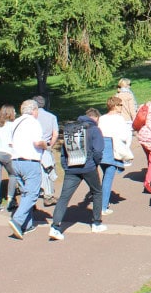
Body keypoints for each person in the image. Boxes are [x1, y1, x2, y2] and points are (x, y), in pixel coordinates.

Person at [48, 109, 107, 239]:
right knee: (97, 192)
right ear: (96, 118)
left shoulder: (71, 128)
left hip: (71, 167)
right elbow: (98, 151)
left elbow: (63, 151)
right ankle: (96, 223)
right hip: (88, 167)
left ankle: (55, 226)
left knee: (64, 197)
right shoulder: (94, 130)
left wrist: (65, 165)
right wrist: (94, 163)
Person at [8, 99, 49, 239]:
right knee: (32, 193)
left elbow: (10, 142)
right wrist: (46, 145)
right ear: (33, 110)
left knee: (25, 193)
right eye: (37, 110)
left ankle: (28, 223)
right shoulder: (33, 123)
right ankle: (18, 220)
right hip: (29, 161)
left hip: (15, 160)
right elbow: (37, 142)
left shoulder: (15, 123)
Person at [97, 95, 133, 216]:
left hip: (102, 147)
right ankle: (102, 206)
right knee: (108, 178)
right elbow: (124, 135)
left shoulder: (102, 118)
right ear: (114, 106)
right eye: (120, 105)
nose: (121, 107)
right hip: (113, 147)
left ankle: (103, 202)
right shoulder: (119, 119)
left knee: (105, 176)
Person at [0, 104, 18, 213]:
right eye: (14, 111)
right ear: (10, 113)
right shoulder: (12, 125)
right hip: (7, 153)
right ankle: (10, 199)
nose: (15, 113)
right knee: (13, 174)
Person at [33, 95, 60, 206]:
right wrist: (50, 145)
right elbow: (55, 134)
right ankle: (48, 195)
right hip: (46, 145)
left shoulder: (32, 118)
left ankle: (37, 192)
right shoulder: (51, 117)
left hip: (34, 147)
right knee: (48, 170)